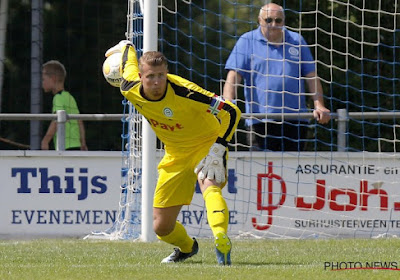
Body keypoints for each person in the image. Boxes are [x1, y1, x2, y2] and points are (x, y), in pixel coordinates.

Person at [105, 41, 241, 265]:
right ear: (141, 76)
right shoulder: (129, 87)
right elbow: (128, 59)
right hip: (175, 154)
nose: (157, 82)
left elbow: (231, 111)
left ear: (167, 73)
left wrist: (218, 149)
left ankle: (221, 239)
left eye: (161, 75)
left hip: (205, 145)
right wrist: (127, 45)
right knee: (161, 227)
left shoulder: (186, 91)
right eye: (150, 77)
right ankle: (188, 248)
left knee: (210, 186)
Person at [223, 3, 330, 151]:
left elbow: (311, 75)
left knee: (294, 172)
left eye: (278, 20)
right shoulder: (247, 41)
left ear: (283, 21)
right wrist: (228, 102)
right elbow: (233, 77)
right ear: (259, 20)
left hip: (295, 121)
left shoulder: (297, 40)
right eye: (268, 20)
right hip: (260, 122)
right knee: (262, 172)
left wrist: (319, 105)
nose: (273, 24)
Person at [41, 60, 88, 151]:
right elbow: (80, 121)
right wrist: (83, 142)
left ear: (53, 78)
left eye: (43, 79)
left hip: (65, 146)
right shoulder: (70, 97)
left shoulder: (58, 98)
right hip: (76, 145)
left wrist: (45, 140)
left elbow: (56, 121)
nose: (42, 83)